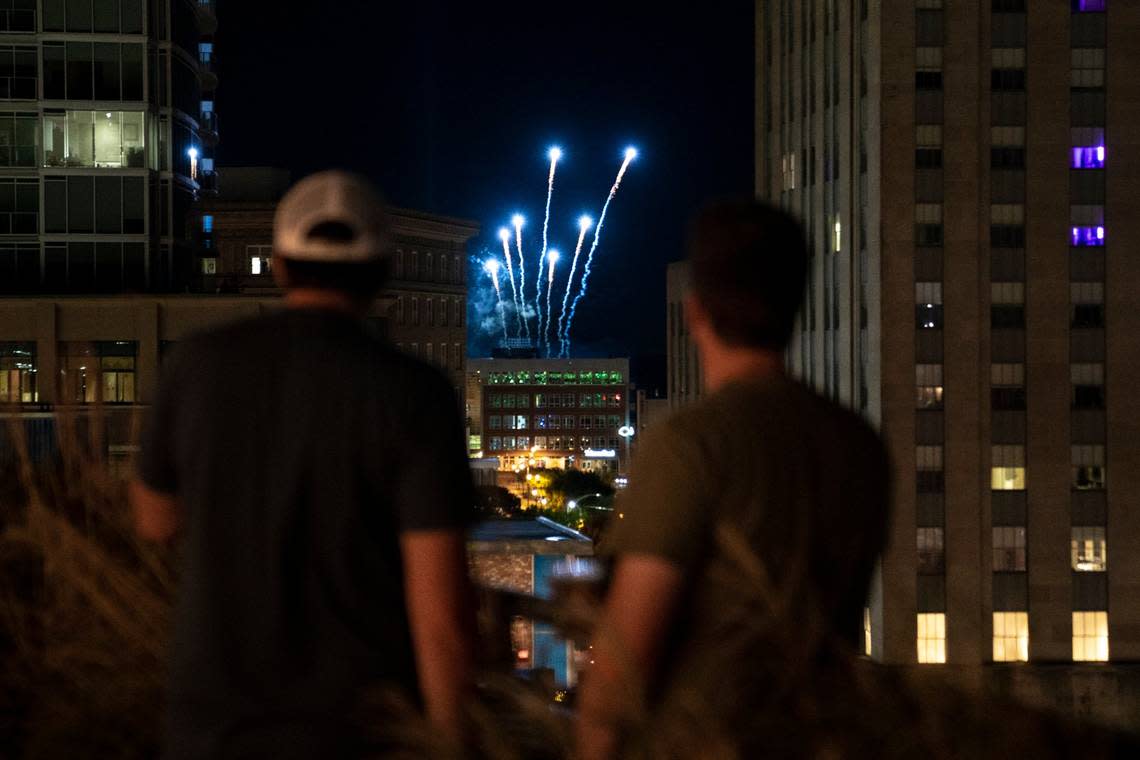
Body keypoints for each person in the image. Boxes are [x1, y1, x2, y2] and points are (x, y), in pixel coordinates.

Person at [131, 171, 476, 758]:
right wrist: (450, 739)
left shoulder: (196, 365)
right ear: (380, 274)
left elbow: (155, 521)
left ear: (283, 265)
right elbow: (440, 615)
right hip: (362, 730)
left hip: (214, 726)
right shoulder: (418, 394)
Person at [577, 200, 890, 758]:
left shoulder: (690, 446)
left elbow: (621, 667)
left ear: (695, 312)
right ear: (796, 304)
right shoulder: (860, 447)